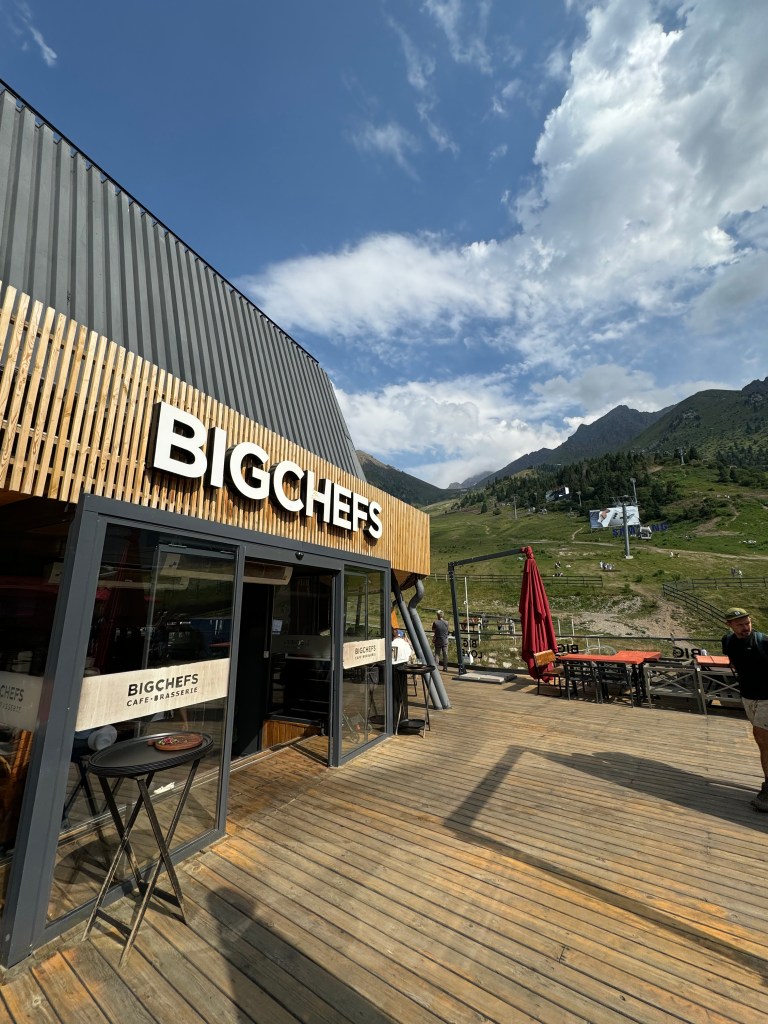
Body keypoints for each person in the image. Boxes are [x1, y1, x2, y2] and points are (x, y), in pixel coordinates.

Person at [722, 608, 768, 811]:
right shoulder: (728, 641)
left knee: (763, 740)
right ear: (729, 625)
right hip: (748, 697)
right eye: (740, 624)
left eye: (747, 623)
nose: (745, 627)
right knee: (762, 741)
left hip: (766, 698)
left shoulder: (763, 642)